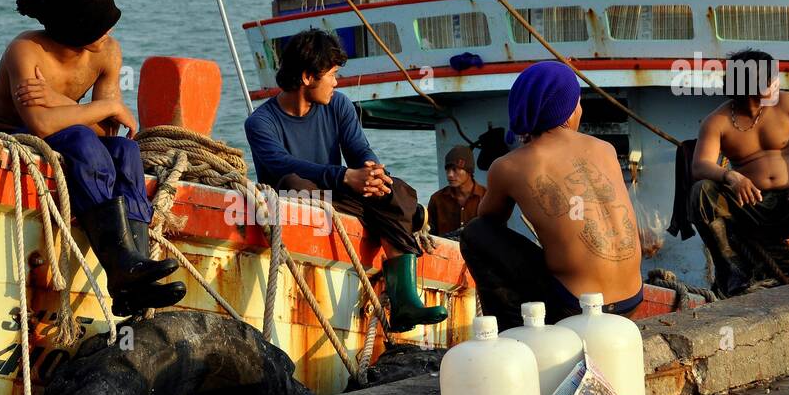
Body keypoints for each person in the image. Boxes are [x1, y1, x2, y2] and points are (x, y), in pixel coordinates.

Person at [0, 0, 185, 317]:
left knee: (126, 152)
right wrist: (103, 107)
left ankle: (135, 275)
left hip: (76, 133)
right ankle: (120, 267)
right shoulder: (26, 51)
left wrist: (57, 99)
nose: (109, 33)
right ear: (75, 30)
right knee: (80, 136)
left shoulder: (107, 52)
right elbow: (41, 123)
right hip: (22, 132)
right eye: (100, 26)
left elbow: (109, 133)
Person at [244, 29, 447, 333]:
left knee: (397, 189)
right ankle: (405, 222)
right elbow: (281, 164)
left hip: (340, 195)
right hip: (302, 202)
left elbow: (359, 150)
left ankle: (404, 301)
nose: (337, 82)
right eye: (333, 74)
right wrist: (344, 176)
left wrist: (373, 172)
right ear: (307, 77)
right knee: (297, 183)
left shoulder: (339, 105)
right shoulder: (260, 123)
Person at [459, 61, 643, 332]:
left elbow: (488, 220)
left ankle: (513, 333)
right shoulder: (605, 149)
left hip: (575, 307)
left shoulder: (508, 166)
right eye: (578, 103)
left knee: (475, 233)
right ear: (568, 113)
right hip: (631, 300)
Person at [689, 49, 789, 296]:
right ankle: (732, 271)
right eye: (771, 78)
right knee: (701, 192)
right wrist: (730, 176)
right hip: (748, 206)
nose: (776, 82)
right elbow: (699, 165)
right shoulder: (718, 121)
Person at [427, 145, 486, 237]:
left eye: (455, 169)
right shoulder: (437, 199)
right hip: (444, 250)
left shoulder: (486, 197)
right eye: (447, 170)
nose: (450, 175)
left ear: (469, 171)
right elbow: (429, 235)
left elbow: (497, 233)